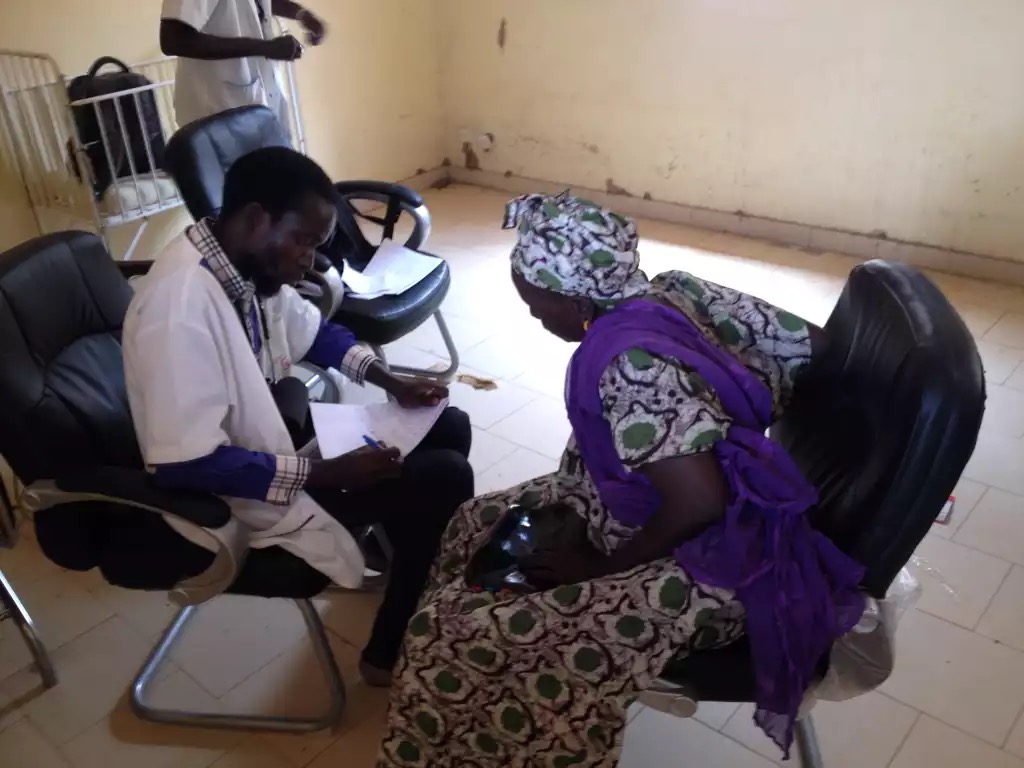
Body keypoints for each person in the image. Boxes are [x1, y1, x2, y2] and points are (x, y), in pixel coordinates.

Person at [375, 193, 866, 766]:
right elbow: (818, 346)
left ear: (577, 298)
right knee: (471, 521)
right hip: (662, 503)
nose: (535, 318)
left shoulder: (631, 365)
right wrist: (713, 417)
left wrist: (599, 568)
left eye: (537, 306)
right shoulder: (674, 290)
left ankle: (488, 716)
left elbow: (699, 501)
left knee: (452, 637)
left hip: (715, 563)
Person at [122, 146, 473, 686]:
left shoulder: (239, 265)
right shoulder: (179, 311)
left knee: (449, 424)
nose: (310, 260)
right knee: (444, 475)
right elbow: (183, 465)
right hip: (232, 500)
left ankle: (409, 562)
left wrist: (390, 382)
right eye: (304, 241)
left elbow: (314, 331)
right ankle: (389, 651)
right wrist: (325, 474)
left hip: (271, 450)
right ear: (256, 218)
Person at [159, 0, 326, 136]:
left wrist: (300, 14)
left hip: (255, 105)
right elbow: (173, 39)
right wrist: (266, 48)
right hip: (217, 113)